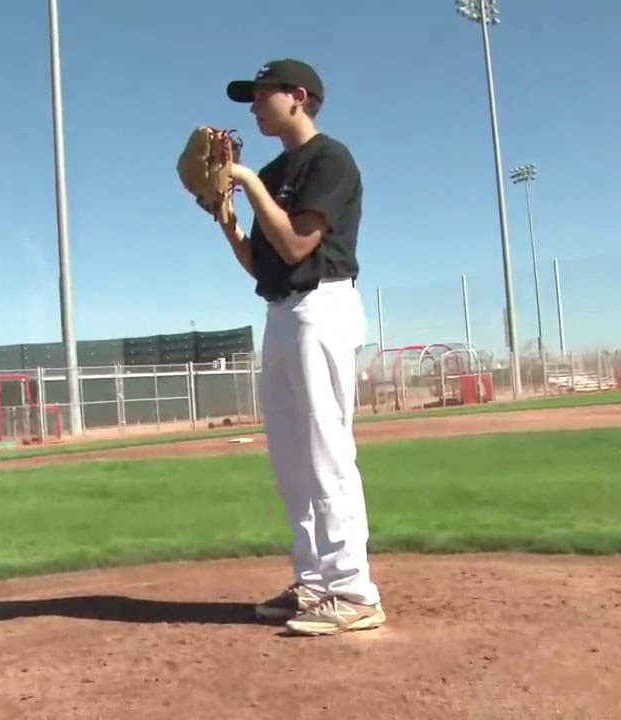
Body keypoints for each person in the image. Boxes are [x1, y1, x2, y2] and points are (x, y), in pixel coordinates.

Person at [212, 58, 385, 636]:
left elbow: (297, 246)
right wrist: (225, 216)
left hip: (323, 306)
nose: (254, 106)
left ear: (298, 96)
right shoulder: (273, 168)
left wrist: (249, 181)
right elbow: (262, 262)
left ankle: (354, 590)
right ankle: (314, 582)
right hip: (282, 312)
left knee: (325, 452)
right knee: (290, 457)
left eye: (262, 94)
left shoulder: (329, 160)